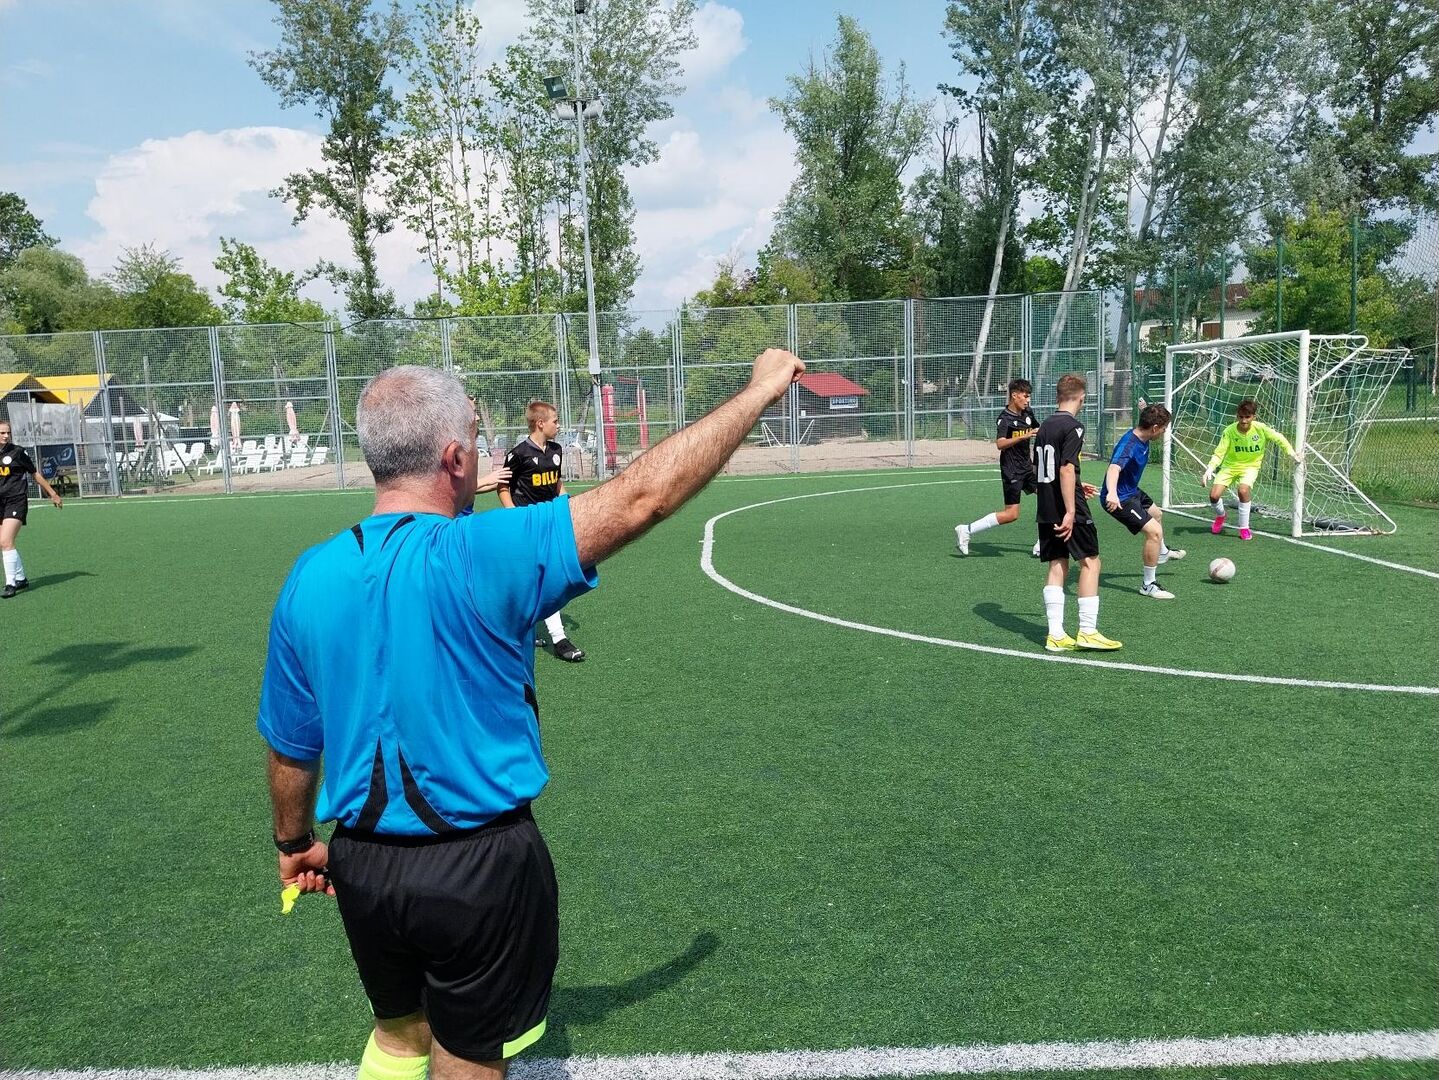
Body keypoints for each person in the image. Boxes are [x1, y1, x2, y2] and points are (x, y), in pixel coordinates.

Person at [259, 350, 804, 1080]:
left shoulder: (308, 575)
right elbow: (644, 497)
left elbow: (291, 746)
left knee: (398, 1035)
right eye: (475, 440)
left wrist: (294, 841)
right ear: (455, 459)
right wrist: (759, 391)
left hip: (362, 862)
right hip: (477, 865)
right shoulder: (487, 550)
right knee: (469, 1052)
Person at [1032, 374, 1121, 653]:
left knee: (1057, 563)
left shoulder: (1045, 426)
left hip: (1046, 506)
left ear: (1058, 395)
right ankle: (1088, 631)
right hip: (1067, 507)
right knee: (1091, 562)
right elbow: (1066, 468)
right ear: (1082, 398)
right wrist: (1071, 509)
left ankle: (1056, 635)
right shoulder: (1074, 426)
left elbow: (1042, 468)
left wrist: (1078, 485)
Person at [498, 401, 583, 662]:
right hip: (527, 526)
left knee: (535, 579)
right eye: (555, 421)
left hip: (550, 522)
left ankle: (522, 629)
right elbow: (503, 487)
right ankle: (559, 639)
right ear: (540, 423)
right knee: (543, 578)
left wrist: (569, 506)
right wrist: (515, 517)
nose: (559, 425)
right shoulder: (518, 454)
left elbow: (556, 483)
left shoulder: (556, 450)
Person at [1101, 404, 1186, 600]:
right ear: (1154, 428)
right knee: (1154, 532)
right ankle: (1148, 585)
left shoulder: (1145, 433)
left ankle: (1162, 553)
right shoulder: (1129, 445)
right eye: (1163, 428)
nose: (1164, 432)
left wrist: (1145, 408)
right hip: (1119, 499)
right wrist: (1112, 493)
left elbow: (1150, 416)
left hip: (1131, 490)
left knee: (1157, 514)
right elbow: (1113, 468)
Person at [955, 378, 1042, 558]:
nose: (1028, 400)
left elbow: (1038, 429)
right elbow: (1000, 444)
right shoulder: (1005, 419)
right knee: (1011, 514)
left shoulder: (1027, 413)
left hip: (1027, 468)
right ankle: (966, 530)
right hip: (1012, 470)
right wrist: (1024, 436)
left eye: (1029, 397)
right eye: (1025, 396)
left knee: (1049, 496)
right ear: (1014, 395)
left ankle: (1043, 543)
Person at [1203, 399, 1296, 540]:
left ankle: (1244, 528)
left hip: (1250, 467)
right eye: (1241, 417)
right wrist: (1210, 468)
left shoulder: (1261, 429)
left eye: (1247, 417)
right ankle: (1221, 516)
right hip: (1230, 466)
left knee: (1243, 490)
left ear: (1254, 417)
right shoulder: (1229, 431)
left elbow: (1279, 439)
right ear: (1237, 416)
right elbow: (1219, 452)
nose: (1244, 420)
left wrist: (1291, 453)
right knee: (1214, 496)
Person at [0, 418, 64, 599]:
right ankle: (21, 578)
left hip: (16, 500)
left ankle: (11, 584)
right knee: (4, 543)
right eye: (2, 433)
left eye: (8, 432)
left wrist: (52, 493)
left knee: (5, 541)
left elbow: (35, 474)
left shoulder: (18, 452)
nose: (6, 436)